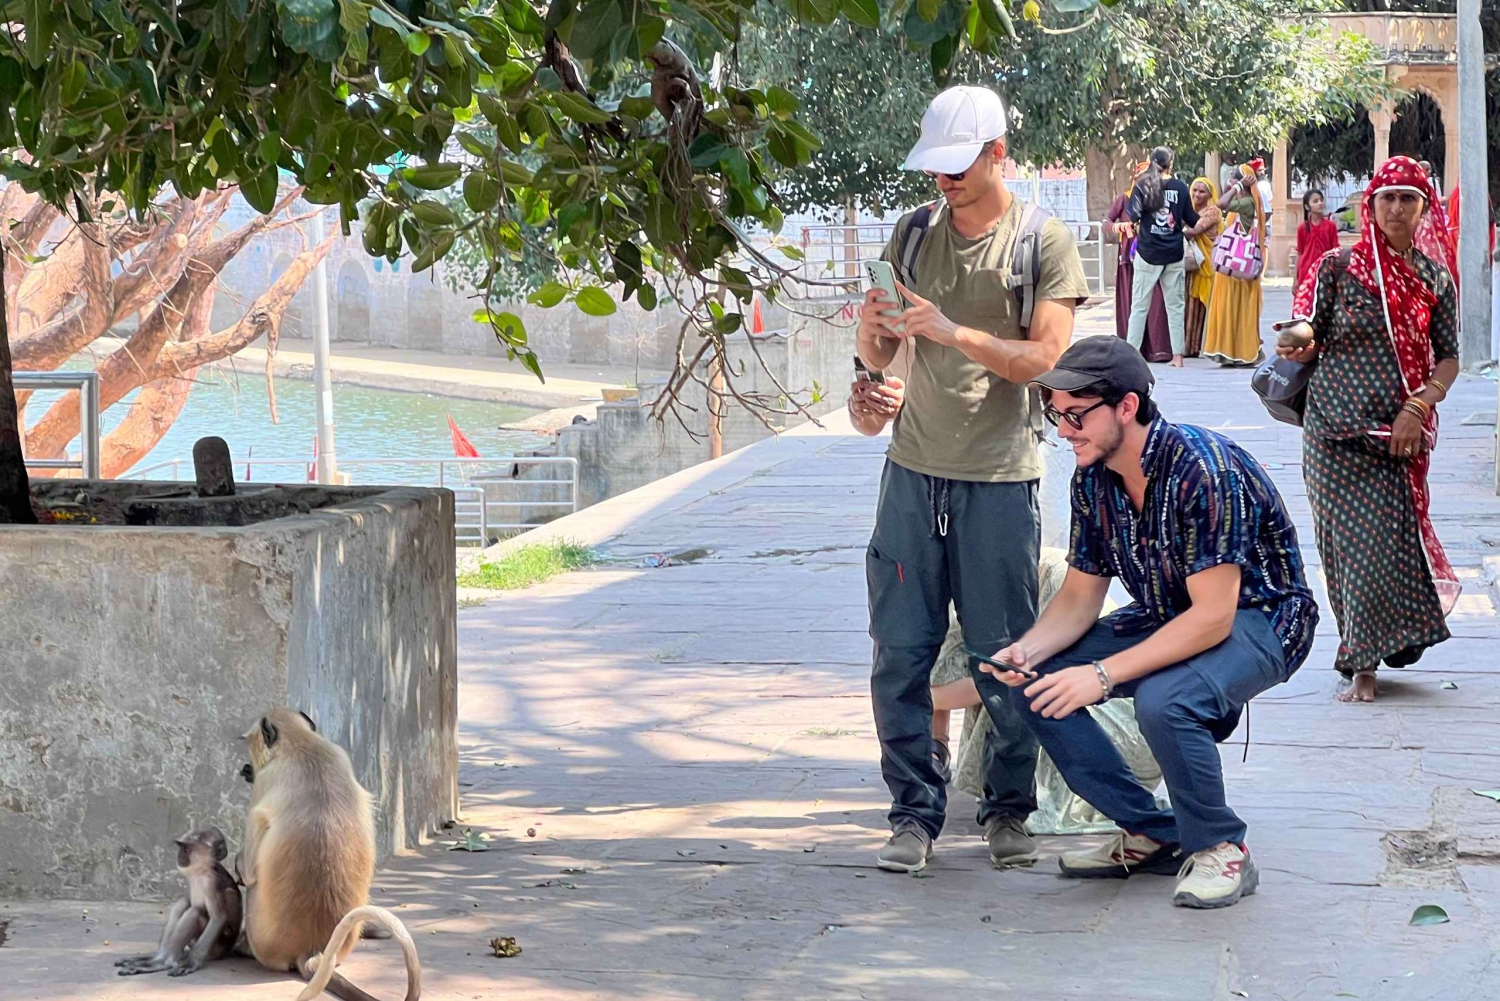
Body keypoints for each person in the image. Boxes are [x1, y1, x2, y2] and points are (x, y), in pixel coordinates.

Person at [980, 335, 1318, 909]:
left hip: (1261, 617)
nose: (1064, 431)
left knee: (1166, 700)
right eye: (1057, 415)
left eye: (1077, 415)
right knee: (1031, 680)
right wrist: (1027, 652)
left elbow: (1213, 618)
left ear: (1127, 407)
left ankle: (1220, 847)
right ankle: (1154, 833)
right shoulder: (1093, 477)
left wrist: (1103, 676)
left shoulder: (1201, 468)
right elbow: (1079, 597)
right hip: (1170, 611)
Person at [857, 84, 1091, 874]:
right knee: (899, 652)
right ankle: (911, 814)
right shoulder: (913, 234)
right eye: (937, 166)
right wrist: (872, 333)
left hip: (998, 477)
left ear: (998, 154)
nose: (945, 179)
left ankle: (1008, 807)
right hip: (912, 473)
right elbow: (881, 351)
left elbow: (1046, 359)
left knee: (1005, 655)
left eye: (959, 164)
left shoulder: (1040, 241)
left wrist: (953, 330)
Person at [1277, 156, 1461, 704]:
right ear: (1371, 205)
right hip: (1333, 431)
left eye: (1408, 199)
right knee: (1347, 550)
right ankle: (1361, 663)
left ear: (1424, 209)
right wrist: (1297, 338)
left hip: (1396, 436)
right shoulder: (1339, 267)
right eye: (1388, 198)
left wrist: (1418, 407)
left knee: (1386, 549)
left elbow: (1449, 358)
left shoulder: (1433, 278)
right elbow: (1309, 320)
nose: (1396, 209)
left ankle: (1387, 644)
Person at [1126, 147, 1198, 368]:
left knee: (1139, 307)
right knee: (1175, 306)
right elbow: (1191, 219)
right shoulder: (1180, 187)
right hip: (1173, 253)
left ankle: (1130, 356)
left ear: (1151, 162)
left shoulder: (1143, 185)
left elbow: (1133, 215)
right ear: (1171, 164)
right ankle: (1178, 356)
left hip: (1148, 253)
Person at [1202, 162, 1267, 367]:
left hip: (1237, 271)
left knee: (1235, 311)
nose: (1229, 180)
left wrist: (1237, 186)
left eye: (1233, 177)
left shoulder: (1246, 202)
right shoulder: (1246, 201)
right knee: (1236, 312)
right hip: (1236, 269)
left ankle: (1240, 352)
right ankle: (1232, 353)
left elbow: (1220, 204)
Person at [1106, 163, 1172, 362]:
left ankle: (1158, 350)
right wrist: (1122, 227)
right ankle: (1133, 350)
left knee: (1156, 301)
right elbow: (1106, 223)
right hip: (1130, 259)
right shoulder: (1125, 198)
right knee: (1132, 300)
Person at [1181, 176, 1222, 357]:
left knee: (1202, 305)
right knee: (1190, 303)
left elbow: (1194, 231)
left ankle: (1202, 346)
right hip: (1192, 263)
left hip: (1207, 264)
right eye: (1194, 190)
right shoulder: (1189, 209)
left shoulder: (1213, 211)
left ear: (1210, 195)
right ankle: (1188, 346)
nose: (1197, 194)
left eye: (1202, 191)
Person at [1294, 189, 1340, 292]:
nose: (1320, 203)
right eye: (1315, 201)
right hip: (1305, 273)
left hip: (1325, 272)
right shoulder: (1302, 228)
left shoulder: (1331, 226)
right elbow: (1300, 253)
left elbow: (1335, 251)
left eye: (1321, 200)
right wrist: (1295, 279)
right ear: (1307, 207)